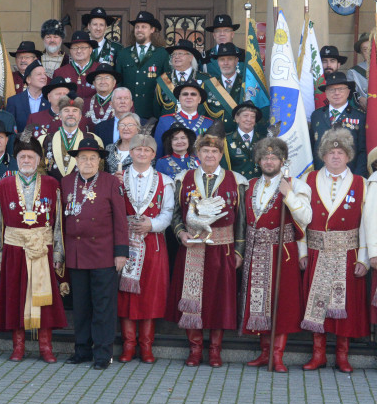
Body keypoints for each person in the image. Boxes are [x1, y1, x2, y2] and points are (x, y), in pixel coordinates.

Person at [168, 129, 246, 368]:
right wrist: (181, 232)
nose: (210, 155)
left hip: (222, 249)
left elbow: (242, 219)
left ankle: (214, 351)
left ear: (221, 155)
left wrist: (239, 251)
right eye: (205, 150)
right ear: (198, 153)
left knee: (218, 300)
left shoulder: (237, 180)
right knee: (192, 300)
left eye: (214, 151)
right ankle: (195, 350)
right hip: (192, 246)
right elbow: (175, 214)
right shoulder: (183, 178)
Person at [0, 135, 64, 363]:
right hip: (14, 249)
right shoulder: (3, 185)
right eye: (22, 156)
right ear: (16, 159)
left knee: (44, 299)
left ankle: (45, 346)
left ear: (39, 159)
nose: (27, 160)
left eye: (31, 156)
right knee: (16, 296)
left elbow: (59, 221)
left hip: (43, 248)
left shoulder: (52, 185)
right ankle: (18, 346)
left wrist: (59, 252)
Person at [302, 129, 368, 373]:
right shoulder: (309, 179)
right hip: (316, 251)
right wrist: (301, 252)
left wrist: (364, 257)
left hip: (348, 254)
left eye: (340, 152)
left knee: (345, 307)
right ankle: (318, 354)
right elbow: (300, 221)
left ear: (349, 156)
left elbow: (367, 223)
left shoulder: (360, 183)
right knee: (316, 305)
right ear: (324, 155)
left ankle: (342, 356)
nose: (336, 156)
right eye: (331, 152)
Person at [241, 138, 310, 373]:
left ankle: (277, 355)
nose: (269, 161)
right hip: (254, 251)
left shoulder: (296, 184)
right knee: (258, 304)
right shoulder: (249, 185)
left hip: (282, 252)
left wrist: (289, 195)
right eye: (265, 157)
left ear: (282, 161)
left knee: (281, 303)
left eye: (274, 157)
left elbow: (306, 217)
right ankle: (264, 353)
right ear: (259, 161)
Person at [60, 138, 128, 369]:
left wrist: (121, 252)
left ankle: (102, 354)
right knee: (80, 306)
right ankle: (81, 350)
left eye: (92, 158)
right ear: (76, 160)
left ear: (99, 161)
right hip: (76, 253)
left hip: (103, 253)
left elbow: (120, 219)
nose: (87, 162)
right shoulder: (67, 182)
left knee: (103, 306)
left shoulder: (110, 182)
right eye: (83, 158)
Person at [117, 133, 174, 364]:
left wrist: (152, 224)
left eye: (147, 150)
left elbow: (168, 212)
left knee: (150, 295)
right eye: (137, 150)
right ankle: (128, 345)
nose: (142, 153)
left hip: (153, 244)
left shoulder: (165, 181)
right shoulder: (118, 179)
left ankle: (146, 346)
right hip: (125, 243)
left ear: (153, 154)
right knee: (126, 296)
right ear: (130, 153)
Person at [309, 71, 367, 175]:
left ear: (348, 92)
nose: (336, 93)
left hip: (349, 176)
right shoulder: (316, 116)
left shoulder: (359, 117)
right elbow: (311, 148)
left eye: (341, 89)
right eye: (332, 90)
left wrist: (357, 178)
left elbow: (362, 151)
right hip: (320, 176)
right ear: (326, 93)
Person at [117, 11, 169, 120]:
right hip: (128, 112)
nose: (139, 30)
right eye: (137, 27)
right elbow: (118, 83)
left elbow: (167, 84)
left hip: (152, 112)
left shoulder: (162, 53)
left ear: (152, 30)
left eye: (144, 27)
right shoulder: (124, 53)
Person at [39, 94, 97, 181]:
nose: (70, 114)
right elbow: (39, 167)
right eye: (66, 110)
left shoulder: (93, 139)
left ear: (80, 116)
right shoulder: (45, 140)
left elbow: (98, 167)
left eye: (75, 110)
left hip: (81, 190)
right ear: (60, 116)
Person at [153, 81, 215, 156]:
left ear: (199, 99)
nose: (189, 97)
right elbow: (158, 151)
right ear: (179, 98)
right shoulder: (165, 121)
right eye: (185, 94)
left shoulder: (209, 123)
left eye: (193, 94)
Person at [54, 30, 101, 99]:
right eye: (75, 48)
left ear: (90, 50)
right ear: (70, 51)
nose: (79, 51)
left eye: (83, 47)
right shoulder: (60, 72)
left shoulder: (100, 70)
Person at [223, 102, 264, 179]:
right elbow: (224, 169)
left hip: (258, 186)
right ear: (237, 118)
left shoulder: (263, 141)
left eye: (252, 117)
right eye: (245, 116)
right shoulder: (226, 141)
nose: (249, 119)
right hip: (236, 186)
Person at [5, 62, 49, 133]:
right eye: (39, 74)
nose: (44, 77)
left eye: (44, 74)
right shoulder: (14, 101)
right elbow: (9, 129)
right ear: (28, 79)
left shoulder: (50, 101)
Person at [202, 14, 243, 79]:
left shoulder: (243, 55)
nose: (222, 34)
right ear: (214, 35)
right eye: (218, 31)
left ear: (232, 34)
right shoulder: (205, 57)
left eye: (226, 30)